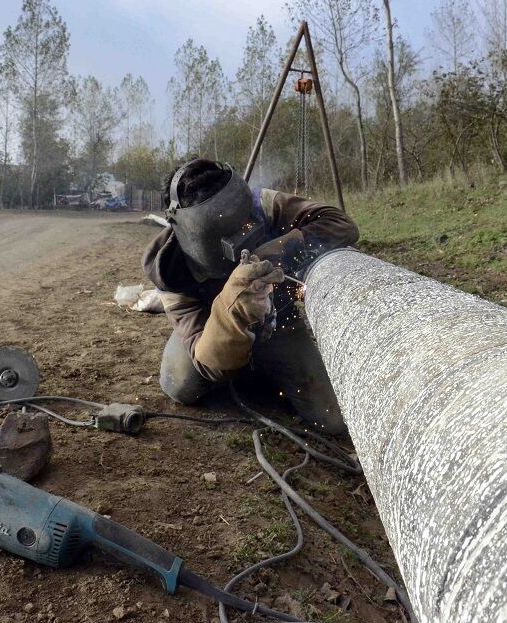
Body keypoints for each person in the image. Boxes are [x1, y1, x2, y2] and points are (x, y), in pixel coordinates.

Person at [142, 158, 358, 434]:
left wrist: (279, 250)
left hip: (280, 324)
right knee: (180, 385)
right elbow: (208, 364)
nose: (244, 233)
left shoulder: (262, 203)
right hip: (209, 329)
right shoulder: (167, 266)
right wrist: (232, 310)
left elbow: (341, 224)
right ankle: (244, 365)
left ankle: (262, 368)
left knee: (333, 419)